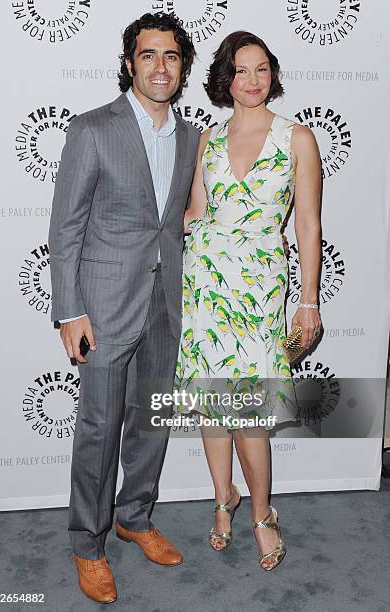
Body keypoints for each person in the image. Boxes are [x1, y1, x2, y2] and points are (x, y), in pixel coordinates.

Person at [48, 13, 199, 603]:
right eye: (148, 56)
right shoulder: (92, 129)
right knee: (99, 428)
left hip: (166, 302)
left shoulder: (189, 137)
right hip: (104, 308)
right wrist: (70, 311)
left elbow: (173, 220)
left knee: (151, 419)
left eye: (171, 57)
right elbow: (66, 230)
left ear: (181, 68)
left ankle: (136, 515)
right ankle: (88, 543)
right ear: (130, 62)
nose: (159, 67)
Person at [175, 31, 322, 571]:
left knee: (250, 412)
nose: (253, 80)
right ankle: (223, 499)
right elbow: (195, 213)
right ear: (225, 79)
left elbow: (307, 224)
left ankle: (262, 513)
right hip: (206, 284)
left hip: (259, 287)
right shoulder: (206, 140)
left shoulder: (297, 138)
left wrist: (308, 301)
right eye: (241, 70)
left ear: (272, 74)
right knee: (214, 404)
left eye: (262, 69)